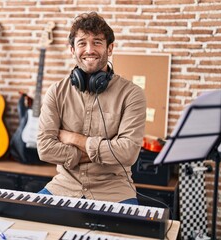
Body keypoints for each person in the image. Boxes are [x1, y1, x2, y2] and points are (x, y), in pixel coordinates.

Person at [36, 12, 146, 204]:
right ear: (72, 50)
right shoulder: (56, 91)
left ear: (109, 48)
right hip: (63, 187)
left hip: (115, 191)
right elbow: (44, 148)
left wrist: (73, 139)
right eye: (82, 43)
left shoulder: (132, 94)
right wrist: (97, 152)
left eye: (97, 42)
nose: (89, 49)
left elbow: (128, 153)